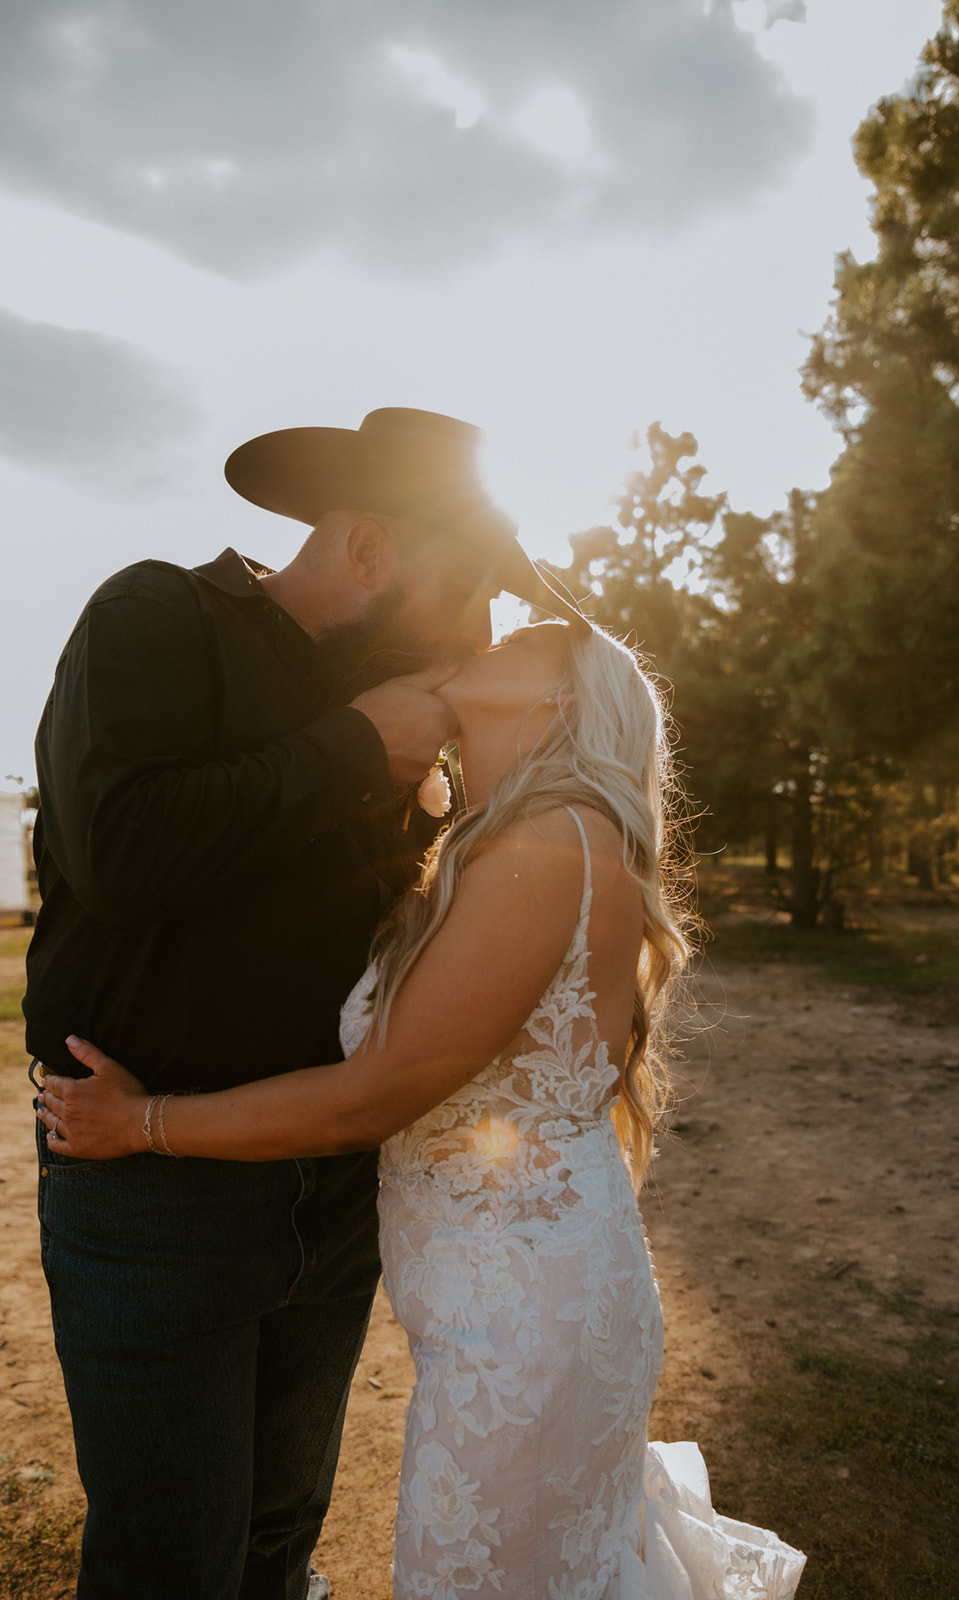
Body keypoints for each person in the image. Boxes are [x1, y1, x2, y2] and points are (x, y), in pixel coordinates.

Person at [39, 621, 807, 1599]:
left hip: (524, 1327)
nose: (492, 623)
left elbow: (370, 1098)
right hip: (521, 1302)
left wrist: (142, 1124)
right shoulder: (524, 834)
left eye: (530, 634)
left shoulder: (550, 838)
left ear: (562, 700)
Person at [24, 406, 590, 1600]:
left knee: (279, 1539)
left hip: (331, 1187)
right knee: (168, 1561)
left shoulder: (399, 715)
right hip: (150, 1191)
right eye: (465, 589)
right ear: (372, 553)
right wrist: (352, 747)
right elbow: (119, 853)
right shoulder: (155, 618)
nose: (477, 630)